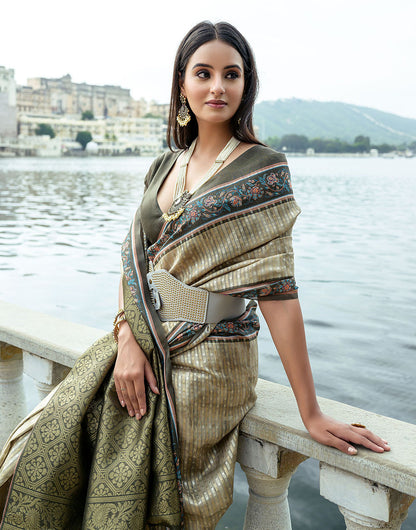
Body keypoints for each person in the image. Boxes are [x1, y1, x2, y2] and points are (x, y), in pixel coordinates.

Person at [1, 20, 389, 530]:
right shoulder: (165, 165)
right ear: (182, 85)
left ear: (246, 85)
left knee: (170, 498)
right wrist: (127, 340)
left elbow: (278, 293)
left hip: (211, 354)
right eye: (202, 73)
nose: (217, 87)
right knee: (48, 437)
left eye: (231, 74)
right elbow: (132, 261)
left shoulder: (262, 170)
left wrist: (310, 411)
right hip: (139, 338)